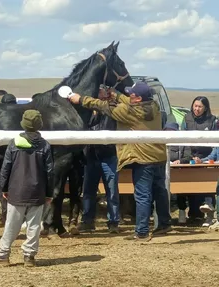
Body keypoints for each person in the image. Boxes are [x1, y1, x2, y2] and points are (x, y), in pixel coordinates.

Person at [69, 82, 172, 240]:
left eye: (132, 94)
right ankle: (164, 223)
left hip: (142, 157)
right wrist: (115, 95)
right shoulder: (154, 106)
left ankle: (142, 231)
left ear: (137, 99)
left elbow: (104, 107)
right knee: (160, 191)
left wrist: (81, 99)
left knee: (142, 195)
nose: (129, 96)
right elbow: (127, 101)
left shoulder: (129, 112)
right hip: (158, 156)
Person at [0, 110, 53, 267]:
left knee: (12, 224)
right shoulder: (45, 145)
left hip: (16, 190)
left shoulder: (14, 143)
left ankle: (3, 255)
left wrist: (4, 188)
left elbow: (6, 168)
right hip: (38, 191)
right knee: (34, 226)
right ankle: (29, 256)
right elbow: (49, 171)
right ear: (39, 124)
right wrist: (49, 192)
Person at [78, 86, 120, 234]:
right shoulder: (87, 112)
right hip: (91, 155)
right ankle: (87, 221)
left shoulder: (111, 109)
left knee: (112, 191)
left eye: (101, 91)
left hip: (108, 155)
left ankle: (113, 222)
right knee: (89, 191)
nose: (98, 94)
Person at [182, 96, 217, 227]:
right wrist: (189, 157)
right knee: (191, 186)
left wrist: (204, 159)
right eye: (195, 106)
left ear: (205, 108)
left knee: (207, 185)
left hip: (207, 157)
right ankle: (194, 215)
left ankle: (209, 216)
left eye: (200, 107)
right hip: (190, 156)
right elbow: (182, 140)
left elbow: (215, 142)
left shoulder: (212, 120)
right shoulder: (186, 119)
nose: (196, 109)